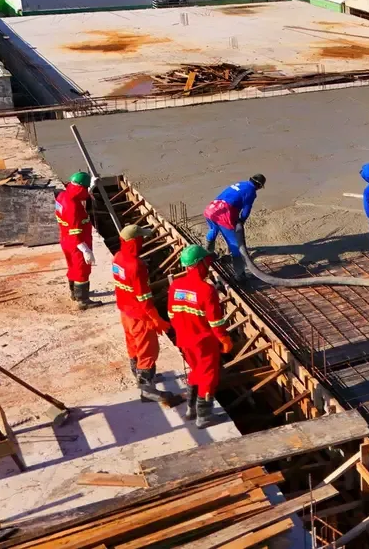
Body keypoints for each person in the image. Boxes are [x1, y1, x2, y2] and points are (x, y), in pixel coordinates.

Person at [168, 245, 232, 428]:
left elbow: (171, 314)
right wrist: (225, 340)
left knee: (196, 372)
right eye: (207, 262)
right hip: (204, 342)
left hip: (185, 341)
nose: (209, 265)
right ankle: (204, 417)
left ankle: (191, 410)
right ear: (199, 264)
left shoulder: (176, 286)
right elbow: (215, 322)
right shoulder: (206, 290)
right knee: (208, 377)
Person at [112, 224, 171, 402]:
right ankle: (147, 388)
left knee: (133, 345)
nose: (143, 241)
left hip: (125, 312)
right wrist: (157, 319)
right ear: (135, 241)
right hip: (139, 316)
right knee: (148, 350)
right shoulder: (136, 266)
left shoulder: (117, 257)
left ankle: (140, 375)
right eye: (141, 239)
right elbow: (144, 298)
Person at [203, 174, 265, 282]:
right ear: (259, 186)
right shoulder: (251, 192)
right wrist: (241, 221)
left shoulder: (241, 183)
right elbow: (246, 209)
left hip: (211, 209)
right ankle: (240, 275)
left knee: (213, 230)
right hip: (223, 215)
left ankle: (208, 253)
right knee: (237, 247)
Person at [54, 171, 99, 310]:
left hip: (66, 239)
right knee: (82, 269)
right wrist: (85, 250)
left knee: (73, 266)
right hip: (77, 242)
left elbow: (79, 194)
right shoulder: (73, 206)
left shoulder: (63, 196)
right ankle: (83, 300)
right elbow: (75, 231)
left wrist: (90, 188)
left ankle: (74, 293)